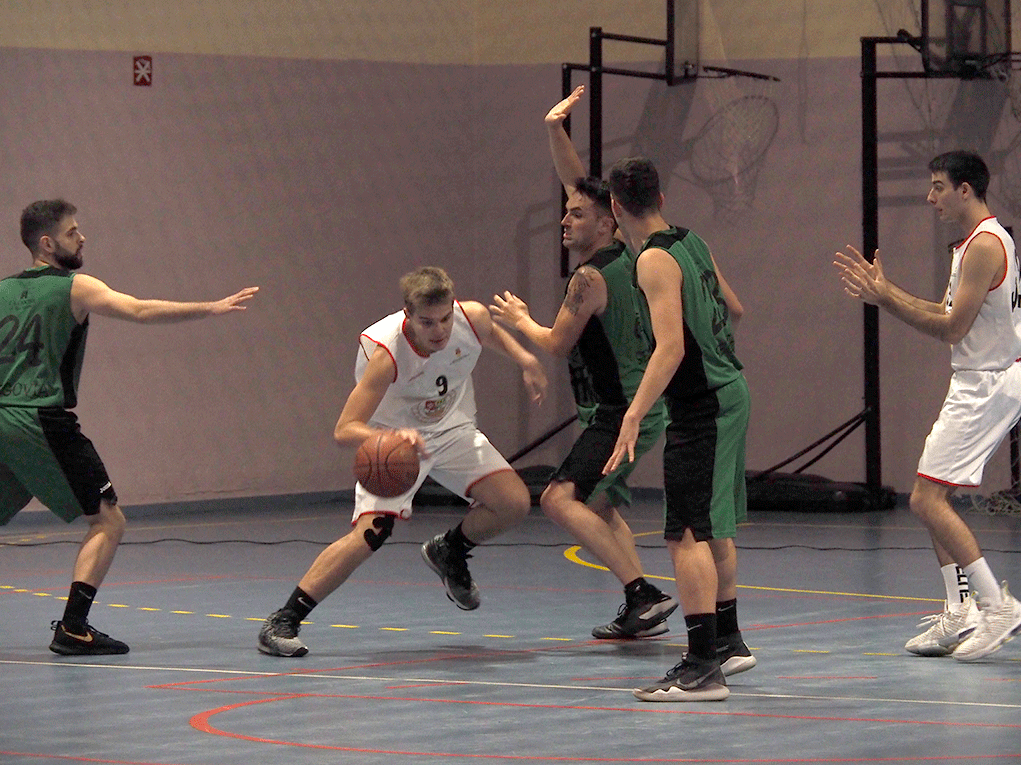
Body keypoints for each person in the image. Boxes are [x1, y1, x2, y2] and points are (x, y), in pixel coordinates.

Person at [0, 199, 259, 655]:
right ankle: (74, 627)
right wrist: (210, 307)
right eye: (72, 231)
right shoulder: (74, 287)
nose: (82, 238)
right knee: (107, 519)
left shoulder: (2, 291)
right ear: (47, 243)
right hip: (37, 417)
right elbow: (139, 310)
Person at [258, 266, 547, 657]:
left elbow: (490, 333)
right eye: (428, 322)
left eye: (445, 318)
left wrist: (526, 359)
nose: (440, 330)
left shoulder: (471, 317)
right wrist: (390, 438)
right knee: (371, 535)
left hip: (452, 430)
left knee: (514, 502)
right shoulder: (388, 355)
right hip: (394, 441)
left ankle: (449, 550)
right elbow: (345, 429)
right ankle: (285, 618)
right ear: (408, 316)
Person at [489, 86, 676, 640]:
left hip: (623, 411)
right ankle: (640, 604)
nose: (565, 220)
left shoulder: (590, 277)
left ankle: (643, 593)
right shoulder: (631, 253)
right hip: (626, 406)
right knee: (596, 507)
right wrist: (554, 130)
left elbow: (554, 344)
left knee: (556, 498)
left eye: (576, 215)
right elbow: (578, 184)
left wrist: (520, 319)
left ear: (607, 221)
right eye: (565, 213)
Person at [835, 150, 1021, 661]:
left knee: (924, 500)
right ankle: (960, 611)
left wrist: (888, 301)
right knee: (930, 495)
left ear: (966, 190)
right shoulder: (977, 242)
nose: (930, 196)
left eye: (939, 186)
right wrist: (885, 292)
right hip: (980, 381)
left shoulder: (985, 244)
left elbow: (951, 328)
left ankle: (998, 606)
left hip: (987, 385)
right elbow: (945, 311)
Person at [603, 157, 752, 702]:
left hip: (703, 406)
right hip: (729, 392)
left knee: (684, 533)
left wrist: (635, 412)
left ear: (616, 208)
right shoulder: (692, 242)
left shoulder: (653, 262)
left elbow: (671, 349)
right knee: (712, 527)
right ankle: (729, 643)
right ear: (661, 199)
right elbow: (735, 309)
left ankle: (699, 668)